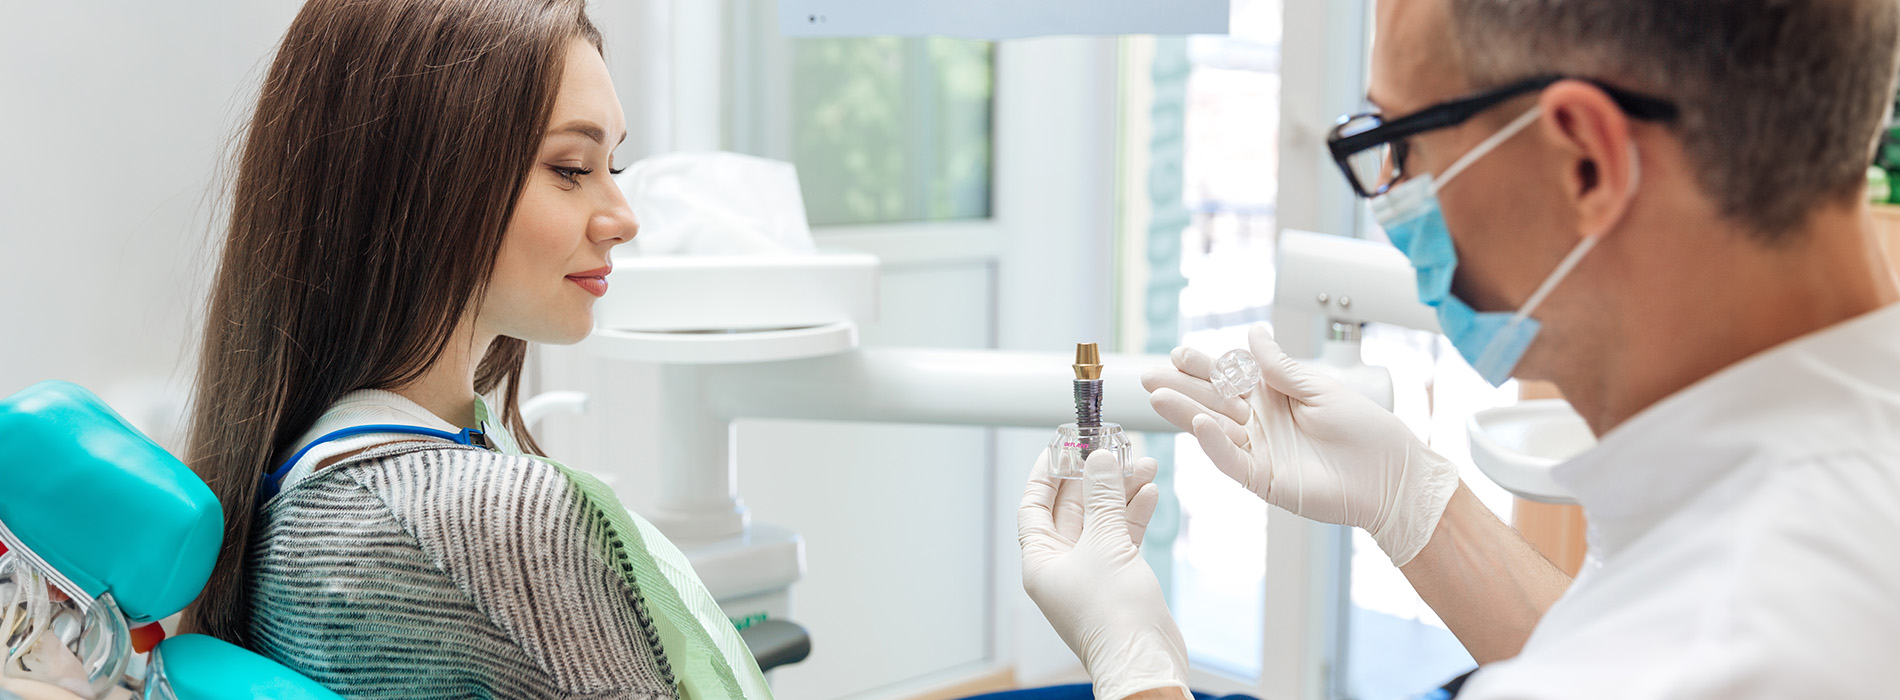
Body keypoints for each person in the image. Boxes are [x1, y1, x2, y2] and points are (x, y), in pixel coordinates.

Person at [1020, 1, 1900, 698]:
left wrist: (1137, 667)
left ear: (1585, 162)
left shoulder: (1714, 641)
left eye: (1399, 142)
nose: (1392, 194)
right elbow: (1618, 631)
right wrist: (1417, 504)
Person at [181, 1, 770, 697]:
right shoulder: (492, 522)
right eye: (572, 168)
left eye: (614, 164)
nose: (624, 219)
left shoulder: (292, 483)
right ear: (420, 180)